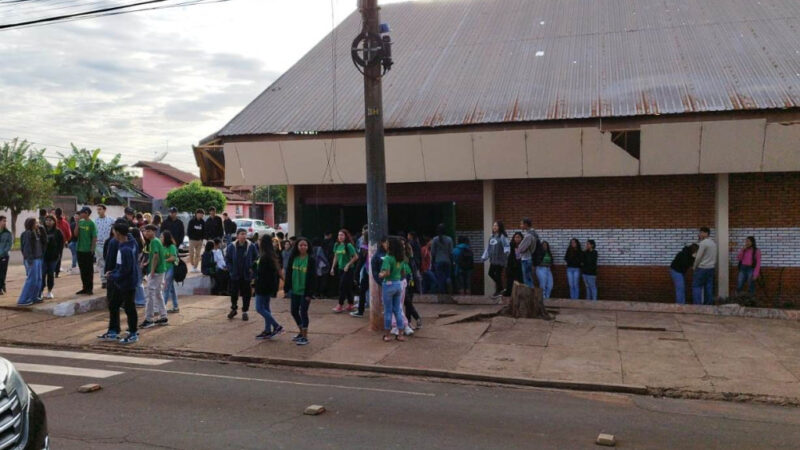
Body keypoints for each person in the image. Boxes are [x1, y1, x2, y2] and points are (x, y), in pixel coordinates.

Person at [99, 222, 139, 344]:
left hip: (126, 283)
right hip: (122, 281)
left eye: (114, 231)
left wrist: (112, 275)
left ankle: (133, 333)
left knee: (129, 308)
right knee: (114, 304)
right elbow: (120, 266)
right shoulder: (129, 243)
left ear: (118, 233)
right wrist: (113, 273)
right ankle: (114, 331)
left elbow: (125, 270)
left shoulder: (124, 248)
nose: (113, 233)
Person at [285, 237, 317, 346]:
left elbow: (313, 278)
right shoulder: (293, 258)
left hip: (305, 292)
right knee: (294, 311)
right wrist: (286, 288)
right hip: (295, 290)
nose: (303, 247)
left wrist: (310, 293)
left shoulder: (311, 259)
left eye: (305, 245)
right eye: (301, 245)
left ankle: (305, 336)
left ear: (308, 247)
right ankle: (301, 331)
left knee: (303, 312)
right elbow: (288, 273)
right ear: (297, 246)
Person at [379, 237, 409, 342]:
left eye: (387, 243)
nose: (385, 244)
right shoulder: (401, 258)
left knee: (388, 311)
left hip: (388, 285)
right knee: (398, 310)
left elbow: (386, 272)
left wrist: (380, 274)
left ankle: (387, 335)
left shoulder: (387, 258)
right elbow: (403, 272)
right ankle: (400, 334)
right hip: (398, 285)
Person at [225, 229, 259, 321]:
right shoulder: (231, 246)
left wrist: (252, 267)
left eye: (245, 234)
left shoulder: (251, 246)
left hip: (246, 275)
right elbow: (227, 259)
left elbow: (257, 258)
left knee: (246, 294)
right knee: (234, 294)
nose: (244, 236)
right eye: (242, 234)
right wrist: (231, 269)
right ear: (237, 236)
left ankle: (245, 311)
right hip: (235, 274)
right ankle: (234, 309)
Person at [254, 235, 283, 339]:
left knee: (259, 308)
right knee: (266, 308)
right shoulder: (270, 255)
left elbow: (263, 274)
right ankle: (267, 330)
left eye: (259, 240)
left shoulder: (265, 256)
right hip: (268, 286)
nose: (258, 242)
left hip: (262, 285)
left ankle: (276, 326)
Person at [140, 225, 168, 329]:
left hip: (156, 272)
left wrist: (151, 270)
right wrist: (148, 262)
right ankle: (163, 316)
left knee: (150, 294)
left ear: (153, 232)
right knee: (157, 294)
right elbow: (154, 256)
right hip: (159, 270)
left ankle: (149, 319)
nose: (146, 233)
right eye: (145, 231)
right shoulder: (155, 241)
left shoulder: (154, 242)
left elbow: (156, 256)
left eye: (148, 231)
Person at [17, 218, 46, 306]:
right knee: (31, 280)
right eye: (36, 223)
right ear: (31, 224)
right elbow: (26, 248)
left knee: (38, 279)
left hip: (38, 258)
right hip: (32, 259)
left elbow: (45, 241)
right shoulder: (27, 234)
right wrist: (29, 260)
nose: (38, 224)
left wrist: (43, 230)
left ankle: (34, 297)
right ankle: (23, 299)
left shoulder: (37, 233)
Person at [330, 229, 358, 312]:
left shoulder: (348, 245)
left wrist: (348, 265)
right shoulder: (336, 245)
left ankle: (340, 305)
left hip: (348, 270)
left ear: (345, 236)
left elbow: (356, 257)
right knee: (348, 287)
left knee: (342, 287)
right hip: (340, 269)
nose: (340, 237)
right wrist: (332, 267)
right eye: (339, 235)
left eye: (342, 235)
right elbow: (336, 257)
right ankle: (351, 305)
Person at [482, 221, 510, 299]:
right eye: (493, 226)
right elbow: (488, 248)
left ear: (500, 227)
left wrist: (506, 252)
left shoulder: (502, 236)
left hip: (500, 259)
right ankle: (501, 288)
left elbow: (507, 245)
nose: (494, 227)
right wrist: (485, 256)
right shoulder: (492, 236)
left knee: (497, 275)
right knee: (490, 273)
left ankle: (499, 290)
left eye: (496, 226)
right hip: (493, 259)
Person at [74, 207, 97, 295]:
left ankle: (89, 289)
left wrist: (92, 249)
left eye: (82, 213)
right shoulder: (80, 222)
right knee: (82, 270)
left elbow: (94, 237)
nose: (80, 215)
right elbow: (75, 234)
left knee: (89, 270)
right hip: (79, 249)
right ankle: (84, 287)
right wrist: (77, 223)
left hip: (88, 250)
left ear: (87, 213)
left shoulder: (91, 223)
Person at [692, 227, 717, 305]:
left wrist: (694, 266)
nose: (700, 234)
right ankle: (708, 305)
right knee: (708, 287)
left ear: (706, 233)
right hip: (711, 268)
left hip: (702, 268)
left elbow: (698, 257)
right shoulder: (713, 243)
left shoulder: (703, 243)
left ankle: (697, 305)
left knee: (696, 286)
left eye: (701, 232)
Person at [41, 215, 64, 300]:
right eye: (47, 220)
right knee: (42, 274)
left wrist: (58, 255)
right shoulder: (41, 231)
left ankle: (49, 291)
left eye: (50, 220)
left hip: (53, 257)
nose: (48, 222)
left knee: (50, 274)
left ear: (54, 222)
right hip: (43, 257)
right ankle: (40, 291)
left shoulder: (58, 232)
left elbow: (61, 246)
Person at [95, 204, 115, 289]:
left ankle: (111, 279)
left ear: (104, 210)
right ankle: (104, 281)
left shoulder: (111, 220)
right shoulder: (95, 221)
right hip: (99, 245)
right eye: (98, 209)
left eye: (100, 209)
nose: (99, 211)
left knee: (110, 261)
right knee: (101, 263)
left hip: (109, 244)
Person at [431, 224, 454, 294]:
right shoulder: (449, 239)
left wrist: (433, 260)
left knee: (440, 278)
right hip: (447, 261)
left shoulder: (435, 239)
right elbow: (451, 251)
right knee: (447, 276)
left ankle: (442, 293)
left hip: (438, 261)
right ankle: (449, 284)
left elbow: (432, 252)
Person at [404, 239, 422, 329]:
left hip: (408, 282)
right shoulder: (410, 257)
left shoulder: (407, 258)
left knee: (407, 302)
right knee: (408, 302)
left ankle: (414, 319)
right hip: (410, 282)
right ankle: (410, 321)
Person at [516, 218, 539, 288]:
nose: (520, 226)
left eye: (521, 224)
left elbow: (521, 248)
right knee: (529, 278)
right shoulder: (534, 233)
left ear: (526, 225)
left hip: (526, 259)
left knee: (527, 280)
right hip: (530, 258)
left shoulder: (528, 235)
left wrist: (518, 249)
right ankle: (531, 296)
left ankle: (530, 297)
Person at [161, 230, 180, 313]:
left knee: (166, 288)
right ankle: (175, 306)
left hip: (171, 268)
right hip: (166, 269)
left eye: (162, 237)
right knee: (171, 288)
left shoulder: (172, 246)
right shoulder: (163, 246)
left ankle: (163, 307)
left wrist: (164, 260)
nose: (160, 238)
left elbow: (173, 258)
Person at [504, 232, 524, 296]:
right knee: (510, 281)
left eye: (518, 237)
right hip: (511, 266)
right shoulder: (511, 245)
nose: (517, 239)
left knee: (520, 281)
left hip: (520, 267)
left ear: (521, 238)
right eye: (515, 237)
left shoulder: (523, 246)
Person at [53, 208, 71, 278]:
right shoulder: (65, 222)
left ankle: (51, 271)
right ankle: (56, 272)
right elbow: (68, 233)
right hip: (61, 242)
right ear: (62, 213)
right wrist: (66, 240)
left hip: (51, 242)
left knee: (51, 256)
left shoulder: (53, 221)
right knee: (59, 256)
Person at [0, 216, 10, 295]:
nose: (5, 222)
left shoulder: (8, 232)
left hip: (4, 255)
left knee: (3, 272)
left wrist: (3, 253)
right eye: (3, 221)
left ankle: (1, 287)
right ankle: (2, 285)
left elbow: (9, 245)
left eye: (5, 221)